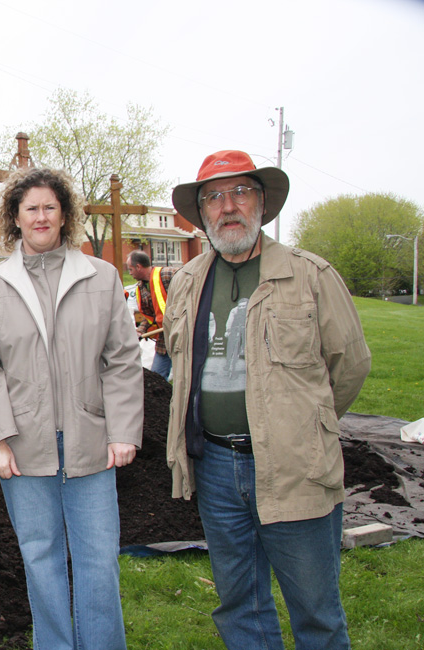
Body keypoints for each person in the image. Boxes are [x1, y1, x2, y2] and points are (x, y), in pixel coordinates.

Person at [163, 150, 372, 650]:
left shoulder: (310, 275)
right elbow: (179, 364)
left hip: (294, 467)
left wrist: (302, 426)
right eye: (214, 197)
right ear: (202, 211)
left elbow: (350, 366)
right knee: (239, 604)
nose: (227, 206)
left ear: (262, 202)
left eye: (240, 192)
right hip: (214, 466)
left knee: (316, 611)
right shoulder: (188, 282)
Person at [0, 167, 144, 650]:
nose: (41, 216)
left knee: (98, 558)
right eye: (30, 208)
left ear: (64, 215)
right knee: (40, 558)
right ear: (15, 219)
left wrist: (123, 430)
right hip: (24, 446)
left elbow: (123, 358)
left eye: (50, 207)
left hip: (90, 442)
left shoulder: (101, 277)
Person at [126, 249, 178, 380]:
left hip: (182, 335)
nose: (130, 273)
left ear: (138, 267)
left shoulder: (167, 274)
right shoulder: (141, 288)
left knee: (187, 376)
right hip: (164, 339)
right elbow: (149, 316)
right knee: (157, 376)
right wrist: (140, 331)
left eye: (130, 269)